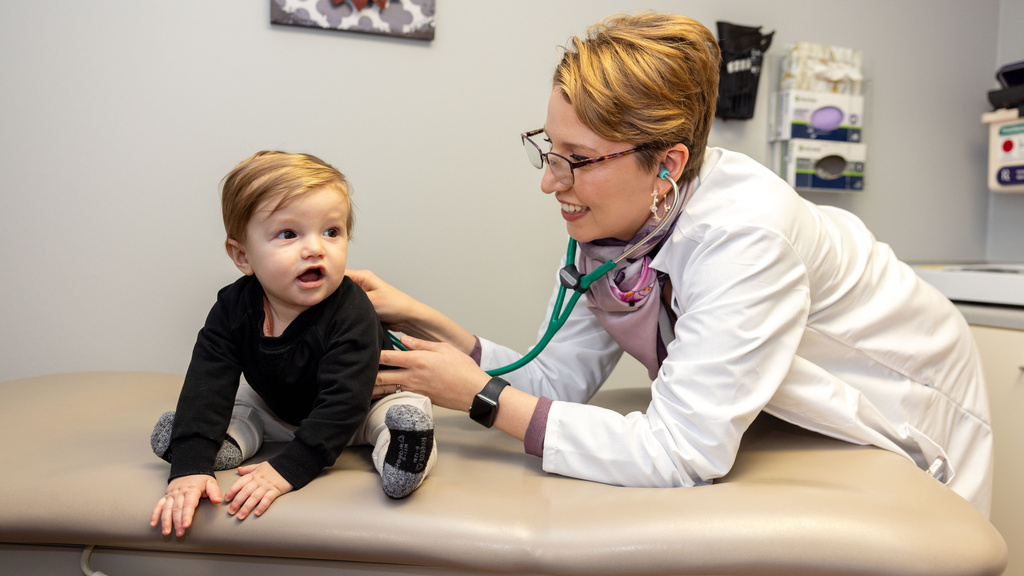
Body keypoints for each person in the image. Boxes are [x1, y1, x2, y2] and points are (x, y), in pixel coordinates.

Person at [348, 11, 994, 516]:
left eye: (578, 159)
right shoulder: (615, 226)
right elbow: (553, 380)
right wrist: (423, 319)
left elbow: (685, 451)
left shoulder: (745, 234)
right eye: (549, 148)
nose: (551, 182)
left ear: (667, 164)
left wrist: (482, 397)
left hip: (903, 387)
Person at [150, 151, 436, 538]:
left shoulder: (351, 311)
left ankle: (405, 453)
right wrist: (189, 464)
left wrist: (291, 467)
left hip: (358, 409)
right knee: (242, 405)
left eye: (332, 232)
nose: (316, 248)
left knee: (401, 410)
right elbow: (208, 380)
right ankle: (217, 442)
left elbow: (343, 403)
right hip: (282, 410)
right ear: (242, 256)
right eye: (289, 234)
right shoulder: (233, 307)